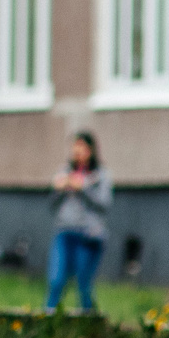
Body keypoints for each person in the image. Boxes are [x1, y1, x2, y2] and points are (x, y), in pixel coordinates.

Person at [46, 132, 110, 313]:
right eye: (75, 148)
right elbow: (52, 203)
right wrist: (59, 189)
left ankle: (90, 322)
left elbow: (104, 204)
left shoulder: (101, 175)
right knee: (56, 280)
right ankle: (48, 318)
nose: (78, 153)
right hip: (65, 232)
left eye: (82, 148)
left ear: (91, 150)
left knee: (84, 283)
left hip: (88, 235)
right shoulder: (64, 171)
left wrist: (83, 189)